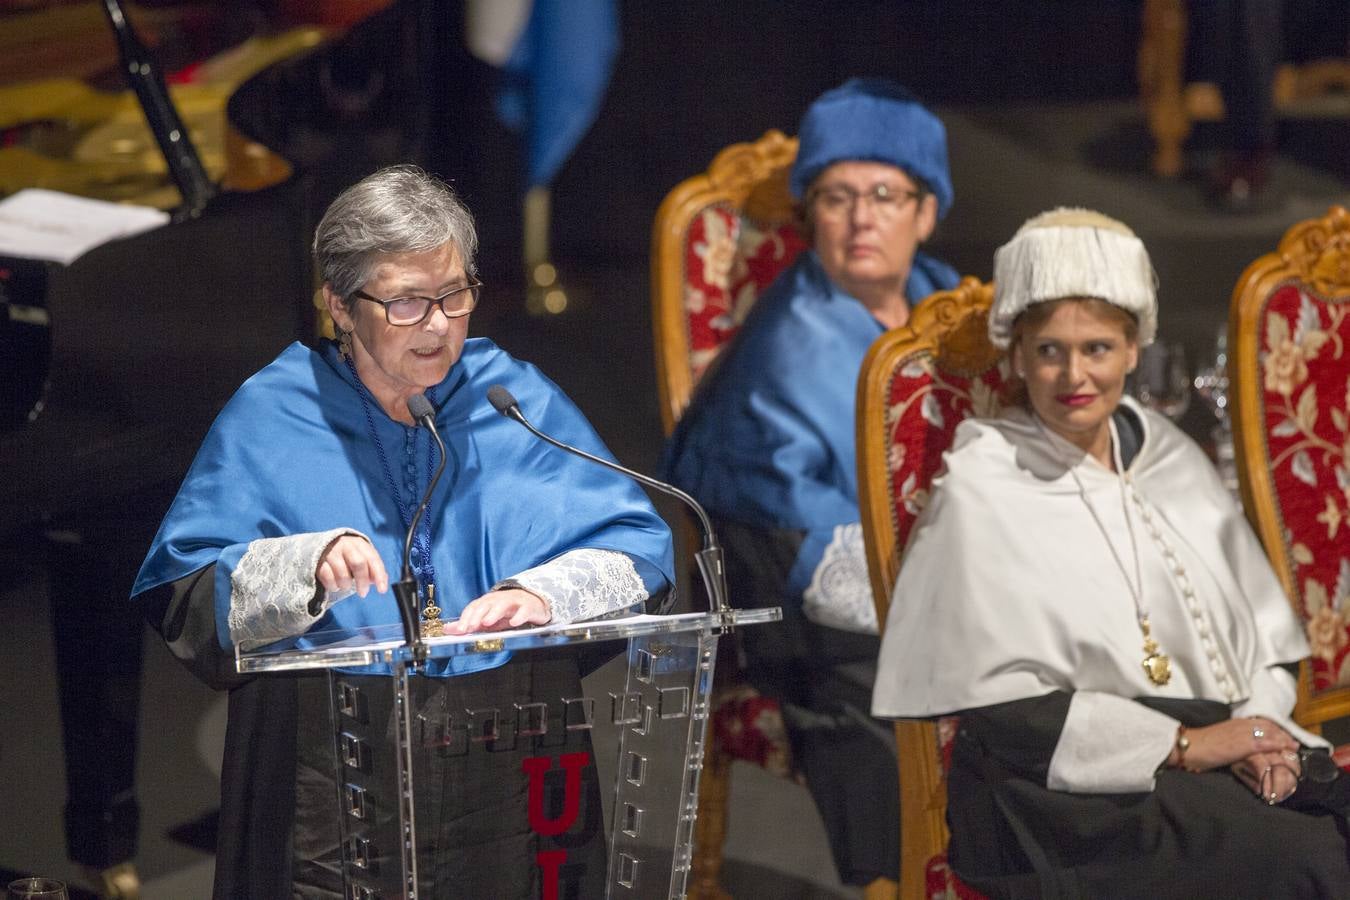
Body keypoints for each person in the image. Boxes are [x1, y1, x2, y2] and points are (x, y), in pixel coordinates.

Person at [131, 165, 674, 898]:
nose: (441, 324)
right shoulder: (273, 414)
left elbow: (636, 547)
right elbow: (185, 589)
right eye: (407, 302)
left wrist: (543, 595)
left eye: (454, 294)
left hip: (508, 753)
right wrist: (306, 565)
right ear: (340, 307)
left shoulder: (509, 397)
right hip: (335, 777)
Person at [873, 208, 1350, 898]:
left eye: (1097, 348)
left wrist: (1258, 736)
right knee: (1306, 860)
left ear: (1133, 350)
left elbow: (1258, 641)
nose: (1075, 375)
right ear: (1016, 356)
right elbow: (1004, 712)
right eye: (1049, 350)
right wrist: (1184, 748)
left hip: (1207, 746)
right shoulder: (984, 483)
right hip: (1057, 794)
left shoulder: (1166, 456)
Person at [661, 77, 959, 892]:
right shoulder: (781, 354)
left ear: (926, 211)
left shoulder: (950, 303)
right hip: (820, 624)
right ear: (811, 216)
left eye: (886, 194)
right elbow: (782, 542)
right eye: (837, 196)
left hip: (957, 591)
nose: (862, 218)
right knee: (890, 702)